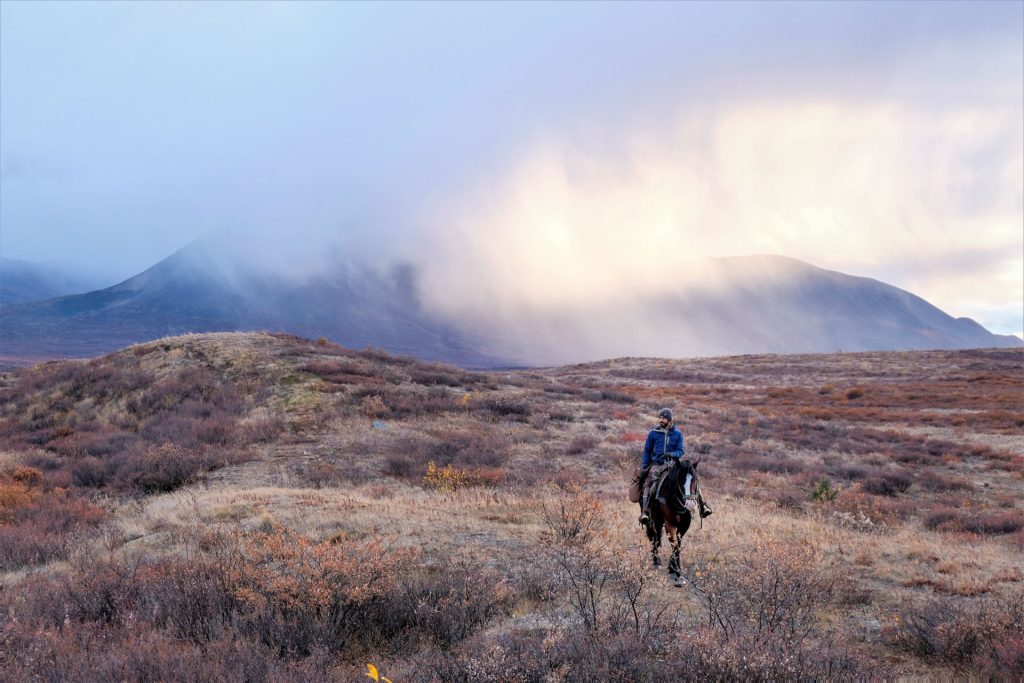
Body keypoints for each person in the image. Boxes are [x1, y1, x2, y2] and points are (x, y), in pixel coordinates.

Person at [638, 408, 684, 525]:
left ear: (669, 420)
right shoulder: (653, 433)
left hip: (672, 465)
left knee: (688, 479)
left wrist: (672, 454)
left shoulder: (678, 434)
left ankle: (701, 506)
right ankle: (645, 512)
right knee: (649, 482)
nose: (661, 420)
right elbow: (647, 451)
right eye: (660, 418)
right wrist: (645, 466)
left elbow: (680, 451)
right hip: (657, 464)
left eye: (664, 418)